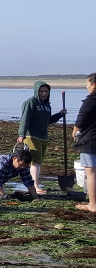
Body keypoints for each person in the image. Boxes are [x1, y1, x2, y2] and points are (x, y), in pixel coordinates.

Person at [17, 81, 67, 194]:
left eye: (46, 91)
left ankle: (34, 184)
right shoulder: (30, 103)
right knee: (36, 161)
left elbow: (48, 120)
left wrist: (60, 114)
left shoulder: (47, 105)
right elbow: (25, 119)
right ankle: (34, 185)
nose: (44, 93)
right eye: (41, 91)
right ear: (36, 91)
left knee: (39, 162)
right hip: (32, 136)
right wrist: (21, 134)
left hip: (43, 136)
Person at [71, 73, 96, 212]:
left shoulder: (91, 101)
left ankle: (93, 205)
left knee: (91, 173)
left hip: (90, 141)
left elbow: (81, 120)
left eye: (87, 83)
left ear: (94, 84)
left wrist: (74, 133)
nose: (86, 86)